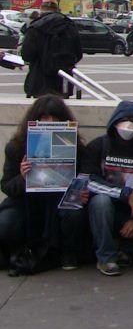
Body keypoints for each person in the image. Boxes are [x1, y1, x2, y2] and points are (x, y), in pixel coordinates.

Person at [64, 100, 133, 276]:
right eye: (125, 119)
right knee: (101, 202)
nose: (129, 124)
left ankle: (122, 249)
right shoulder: (98, 146)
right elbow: (87, 180)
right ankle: (106, 258)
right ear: (115, 121)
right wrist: (125, 194)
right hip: (102, 213)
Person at [0, 95, 86, 273]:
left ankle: (67, 252)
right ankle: (18, 251)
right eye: (45, 118)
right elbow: (6, 186)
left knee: (74, 214)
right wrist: (22, 177)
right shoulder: (16, 147)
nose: (51, 122)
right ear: (35, 120)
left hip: (58, 200)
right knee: (6, 223)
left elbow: (83, 179)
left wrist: (80, 192)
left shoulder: (75, 146)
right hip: (26, 201)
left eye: (55, 118)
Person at [20, 0, 82, 98]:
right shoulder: (70, 26)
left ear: (41, 11)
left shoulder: (35, 28)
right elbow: (78, 53)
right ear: (57, 10)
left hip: (39, 78)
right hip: (63, 79)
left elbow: (27, 55)